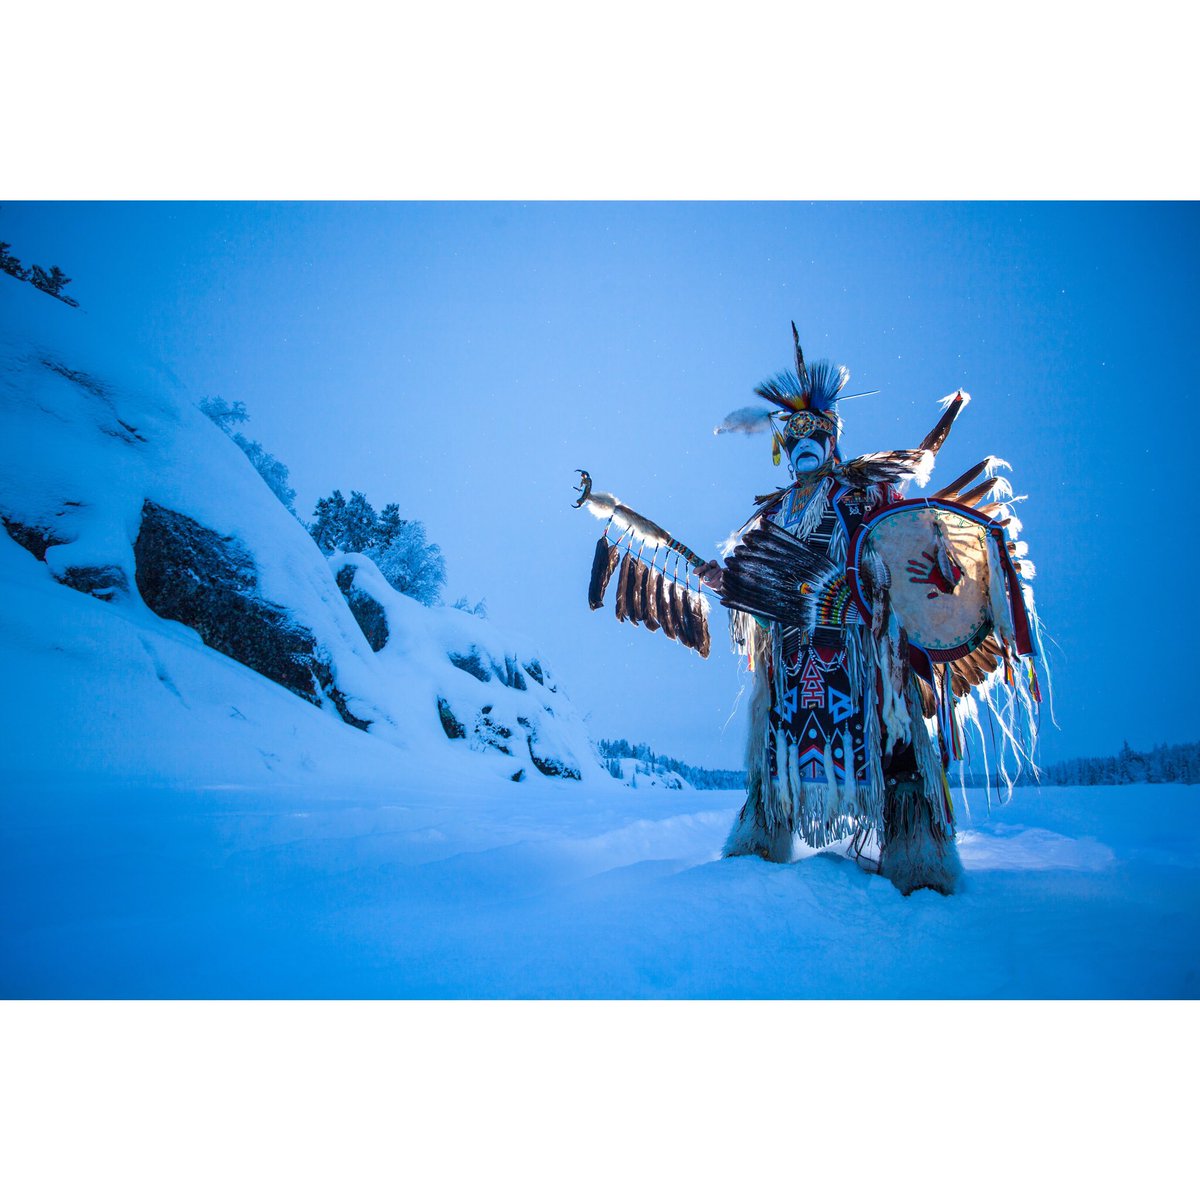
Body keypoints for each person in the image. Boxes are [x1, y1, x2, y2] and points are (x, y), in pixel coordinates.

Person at [701, 327, 973, 895]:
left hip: (859, 654)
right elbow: (760, 590)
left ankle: (920, 863)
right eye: (793, 431)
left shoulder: (863, 493)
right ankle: (757, 849)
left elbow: (901, 547)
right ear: (782, 444)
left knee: (895, 753)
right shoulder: (773, 514)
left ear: (831, 438)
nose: (804, 440)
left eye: (815, 430)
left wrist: (875, 584)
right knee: (774, 757)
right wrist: (730, 584)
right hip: (795, 660)